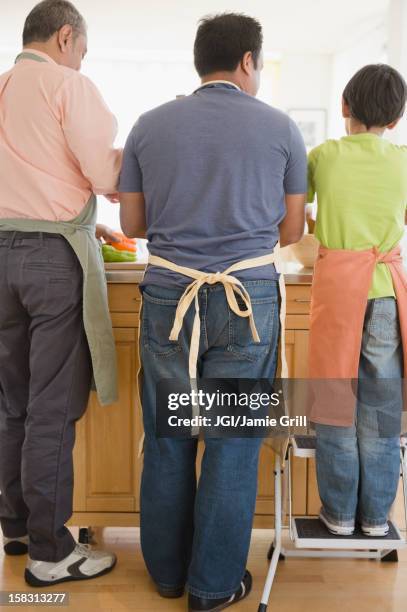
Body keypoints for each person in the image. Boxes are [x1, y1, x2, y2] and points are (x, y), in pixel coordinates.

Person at [119, 13, 307, 611]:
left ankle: (168, 576)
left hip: (169, 294)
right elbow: (293, 228)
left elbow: (132, 226)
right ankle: (212, 587)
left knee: (168, 438)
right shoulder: (281, 128)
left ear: (201, 61)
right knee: (232, 443)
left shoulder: (149, 126)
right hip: (246, 300)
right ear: (249, 61)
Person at [0, 0, 122, 586]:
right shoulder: (68, 86)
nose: (82, 61)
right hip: (50, 263)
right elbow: (108, 174)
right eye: (84, 51)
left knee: (12, 401)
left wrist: (70, 214)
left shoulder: (2, 85)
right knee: (51, 407)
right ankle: (52, 553)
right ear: (67, 37)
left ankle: (18, 526)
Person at [307, 64, 407, 537]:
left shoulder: (325, 155)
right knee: (381, 413)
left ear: (345, 107)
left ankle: (340, 515)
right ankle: (374, 519)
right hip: (386, 293)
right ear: (396, 119)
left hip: (337, 293)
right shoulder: (404, 159)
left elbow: (295, 209)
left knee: (334, 403)